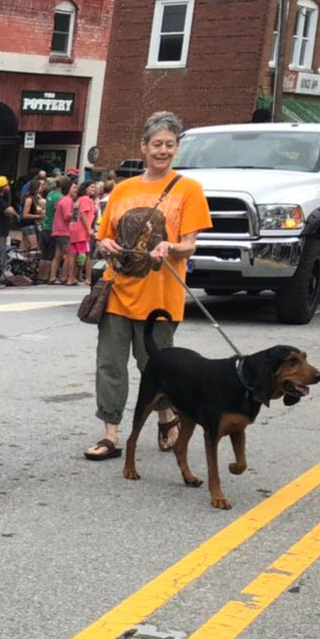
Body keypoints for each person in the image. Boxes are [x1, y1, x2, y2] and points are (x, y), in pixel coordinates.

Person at [84, 111, 211, 463]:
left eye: (170, 145)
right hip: (116, 291)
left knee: (155, 365)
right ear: (144, 146)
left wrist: (170, 247)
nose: (163, 151)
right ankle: (111, 432)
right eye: (157, 144)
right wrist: (104, 245)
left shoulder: (189, 189)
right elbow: (103, 237)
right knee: (109, 364)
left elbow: (190, 243)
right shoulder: (123, 189)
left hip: (160, 297)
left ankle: (166, 417)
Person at [74, 179, 101, 285]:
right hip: (84, 231)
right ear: (85, 189)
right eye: (91, 187)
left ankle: (77, 275)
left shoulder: (79, 199)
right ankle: (88, 278)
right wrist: (89, 228)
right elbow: (83, 214)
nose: (94, 189)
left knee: (79, 254)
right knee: (87, 255)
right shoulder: (86, 199)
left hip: (77, 229)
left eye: (95, 187)